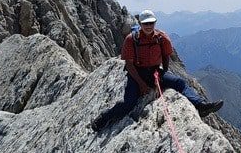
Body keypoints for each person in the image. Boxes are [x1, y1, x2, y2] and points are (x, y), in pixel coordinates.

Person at [91, 10, 223, 131]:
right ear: (141, 24)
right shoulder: (131, 39)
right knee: (128, 103)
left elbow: (166, 56)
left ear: (155, 23)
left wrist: (163, 73)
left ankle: (200, 106)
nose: (149, 26)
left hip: (154, 71)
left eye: (151, 23)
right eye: (145, 23)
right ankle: (103, 119)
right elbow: (129, 65)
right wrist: (141, 85)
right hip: (137, 74)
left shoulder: (161, 38)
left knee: (179, 82)